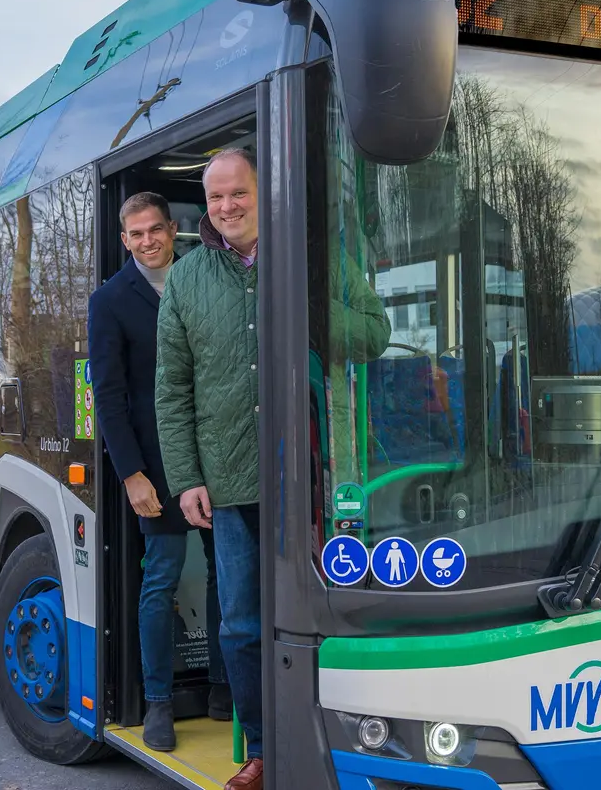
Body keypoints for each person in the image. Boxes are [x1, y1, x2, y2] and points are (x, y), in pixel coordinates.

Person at [156, 148, 389, 790]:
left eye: (238, 193)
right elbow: (171, 390)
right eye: (216, 197)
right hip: (229, 481)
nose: (226, 206)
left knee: (333, 611)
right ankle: (263, 750)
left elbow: (375, 333)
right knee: (240, 625)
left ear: (264, 192)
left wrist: (311, 304)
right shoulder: (186, 279)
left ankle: (342, 737)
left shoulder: (316, 260)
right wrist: (186, 479)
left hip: (318, 478)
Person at [88, 191, 227, 754]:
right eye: (136, 234)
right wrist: (131, 474)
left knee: (229, 575)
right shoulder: (110, 300)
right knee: (161, 578)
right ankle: (158, 702)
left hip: (219, 455)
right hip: (157, 464)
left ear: (173, 230)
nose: (148, 241)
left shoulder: (206, 276)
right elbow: (108, 396)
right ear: (124, 240)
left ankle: (224, 690)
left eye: (156, 230)